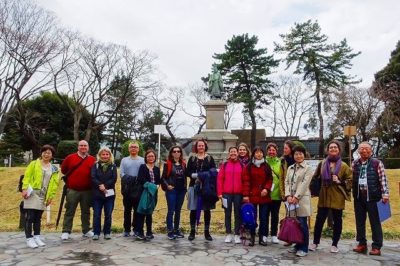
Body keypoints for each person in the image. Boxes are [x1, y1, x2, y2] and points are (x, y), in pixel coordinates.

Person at [309, 140, 352, 253]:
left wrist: (339, 181)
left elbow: (350, 180)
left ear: (339, 150)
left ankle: (335, 244)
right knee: (319, 219)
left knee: (337, 221)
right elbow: (315, 177)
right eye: (331, 147)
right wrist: (314, 189)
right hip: (324, 195)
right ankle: (315, 242)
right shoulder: (322, 163)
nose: (333, 149)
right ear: (327, 150)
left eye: (335, 147)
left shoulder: (344, 166)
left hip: (337, 196)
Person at [352, 142, 389, 256]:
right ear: (358, 151)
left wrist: (385, 194)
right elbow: (351, 178)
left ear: (371, 151)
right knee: (360, 222)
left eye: (367, 149)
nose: (364, 151)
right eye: (362, 149)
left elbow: (383, 179)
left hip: (373, 197)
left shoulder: (377, 163)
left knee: (375, 222)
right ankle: (362, 243)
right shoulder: (355, 163)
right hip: (359, 197)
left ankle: (377, 246)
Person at [22, 145, 60, 248]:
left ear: (52, 155)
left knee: (38, 217)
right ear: (41, 153)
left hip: (44, 194)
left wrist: (50, 197)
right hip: (32, 193)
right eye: (44, 152)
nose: (46, 154)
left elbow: (54, 184)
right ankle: (29, 238)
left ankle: (37, 236)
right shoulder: (34, 164)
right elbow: (27, 177)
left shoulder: (54, 168)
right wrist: (24, 188)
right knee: (30, 217)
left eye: (49, 153)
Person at [61, 140, 96, 240]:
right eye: (81, 145)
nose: (83, 147)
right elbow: (64, 170)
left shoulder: (92, 159)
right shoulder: (70, 158)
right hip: (73, 190)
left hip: (87, 190)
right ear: (78, 147)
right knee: (69, 210)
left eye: (85, 145)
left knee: (86, 211)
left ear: (88, 147)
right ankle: (66, 231)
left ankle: (86, 230)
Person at [285, 145, 313, 257]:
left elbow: (304, 184)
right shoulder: (290, 168)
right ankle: (297, 244)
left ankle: (304, 247)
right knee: (295, 224)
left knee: (302, 224)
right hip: (291, 200)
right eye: (296, 154)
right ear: (293, 155)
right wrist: (288, 195)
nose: (298, 156)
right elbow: (286, 182)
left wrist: (296, 197)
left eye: (300, 153)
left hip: (301, 200)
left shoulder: (308, 168)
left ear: (304, 155)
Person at [186, 138, 217, 241]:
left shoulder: (209, 158)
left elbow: (213, 171)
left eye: (202, 145)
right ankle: (192, 231)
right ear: (196, 147)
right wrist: (196, 176)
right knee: (193, 209)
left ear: (205, 147)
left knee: (207, 210)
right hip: (194, 185)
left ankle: (207, 232)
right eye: (199, 145)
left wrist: (204, 176)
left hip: (206, 187)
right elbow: (188, 172)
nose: (201, 147)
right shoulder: (192, 158)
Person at [242, 146, 273, 246]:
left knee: (264, 218)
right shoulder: (249, 166)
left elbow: (270, 179)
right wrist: (246, 195)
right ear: (253, 154)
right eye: (257, 152)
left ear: (263, 154)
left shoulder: (266, 166)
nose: (259, 154)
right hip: (252, 195)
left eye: (260, 152)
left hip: (264, 196)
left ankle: (262, 237)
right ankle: (252, 237)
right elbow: (246, 181)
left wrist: (266, 189)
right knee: (252, 218)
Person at [217, 146, 243, 244]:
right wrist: (219, 193)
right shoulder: (225, 165)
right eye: (231, 152)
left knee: (237, 214)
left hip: (238, 193)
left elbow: (244, 180)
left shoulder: (241, 165)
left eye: (235, 152)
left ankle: (237, 234)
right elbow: (220, 179)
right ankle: (228, 233)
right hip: (226, 193)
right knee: (227, 214)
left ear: (237, 153)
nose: (233, 153)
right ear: (229, 154)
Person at [91, 147, 117, 240]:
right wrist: (100, 185)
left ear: (110, 155)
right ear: (99, 155)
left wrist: (105, 186)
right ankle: (96, 232)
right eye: (103, 154)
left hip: (109, 194)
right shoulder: (95, 165)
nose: (105, 156)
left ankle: (107, 232)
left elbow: (114, 179)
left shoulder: (113, 166)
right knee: (97, 214)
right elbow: (93, 177)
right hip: (97, 194)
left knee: (108, 214)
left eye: (107, 154)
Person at [161, 146, 187, 240]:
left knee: (178, 211)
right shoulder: (168, 164)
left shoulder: (183, 164)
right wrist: (167, 185)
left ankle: (176, 229)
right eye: (174, 151)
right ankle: (170, 230)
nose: (176, 153)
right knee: (171, 210)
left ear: (180, 153)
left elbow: (185, 176)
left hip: (181, 190)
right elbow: (163, 178)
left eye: (178, 151)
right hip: (172, 190)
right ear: (171, 153)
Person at [120, 141, 145, 237]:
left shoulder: (142, 160)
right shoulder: (124, 160)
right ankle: (126, 229)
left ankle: (136, 229)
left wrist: (137, 180)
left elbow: (143, 174)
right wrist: (132, 179)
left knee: (137, 210)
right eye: (132, 147)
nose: (133, 148)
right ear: (129, 149)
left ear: (138, 149)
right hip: (127, 188)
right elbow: (122, 174)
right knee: (127, 210)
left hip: (138, 189)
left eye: (135, 147)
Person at [135, 149, 161, 240]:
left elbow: (158, 181)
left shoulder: (157, 169)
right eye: (149, 156)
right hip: (143, 193)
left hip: (153, 193)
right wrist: (151, 186)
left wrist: (157, 186)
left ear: (155, 157)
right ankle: (140, 232)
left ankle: (149, 232)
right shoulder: (142, 167)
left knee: (149, 213)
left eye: (152, 156)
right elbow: (140, 179)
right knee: (142, 212)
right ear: (146, 157)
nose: (151, 158)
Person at [265, 142, 284, 244]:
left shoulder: (280, 163)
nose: (271, 152)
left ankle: (273, 234)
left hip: (276, 193)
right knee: (264, 215)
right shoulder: (263, 162)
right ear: (267, 151)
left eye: (273, 150)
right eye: (270, 150)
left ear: (276, 151)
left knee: (275, 215)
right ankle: (264, 233)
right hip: (265, 194)